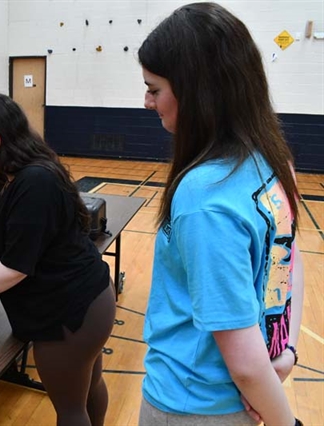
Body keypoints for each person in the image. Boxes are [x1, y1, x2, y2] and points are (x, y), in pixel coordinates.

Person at [137, 3, 305, 426]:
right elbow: (289, 258)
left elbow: (246, 365)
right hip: (235, 400)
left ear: (197, 91)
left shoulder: (202, 194)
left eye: (154, 89)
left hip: (191, 405)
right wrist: (285, 351)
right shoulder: (275, 161)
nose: (146, 102)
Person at [0, 92, 115, 426]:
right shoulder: (19, 175)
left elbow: (15, 267)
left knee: (70, 408)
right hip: (90, 302)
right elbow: (3, 238)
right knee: (87, 387)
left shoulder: (34, 181)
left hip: (70, 314)